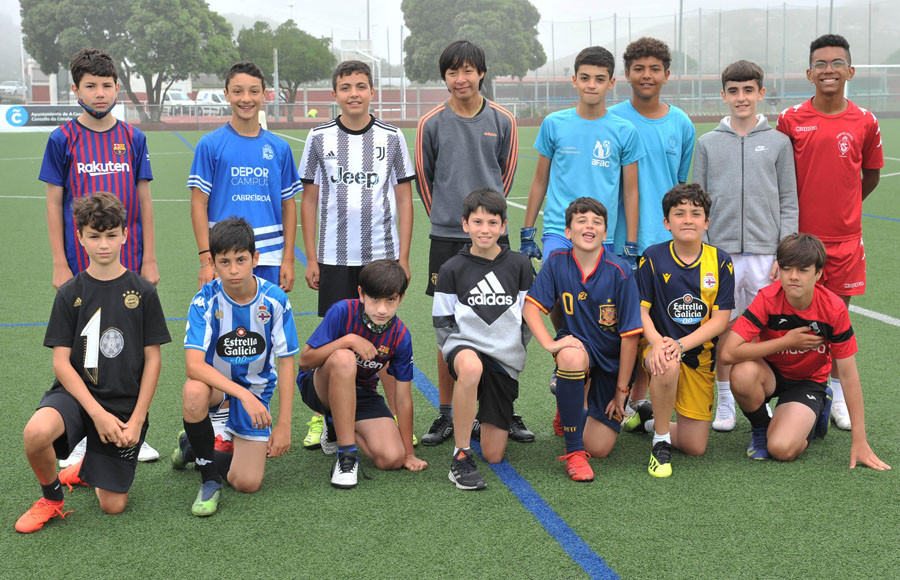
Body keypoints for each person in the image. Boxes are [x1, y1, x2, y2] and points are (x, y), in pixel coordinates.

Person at [15, 194, 171, 533]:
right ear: (81, 237)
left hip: (122, 404)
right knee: (35, 433)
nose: (104, 244)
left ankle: (88, 467)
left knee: (112, 506)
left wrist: (136, 419)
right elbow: (60, 362)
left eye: (111, 235)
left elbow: (153, 360)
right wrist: (96, 414)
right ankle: (52, 497)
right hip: (75, 396)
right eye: (95, 236)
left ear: (125, 235)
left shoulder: (143, 292)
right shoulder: (69, 292)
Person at [40, 48, 161, 464]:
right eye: (89, 86)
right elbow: (54, 204)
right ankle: (77, 435)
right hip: (82, 262)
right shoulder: (62, 139)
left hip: (127, 263)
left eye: (106, 85)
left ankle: (133, 428)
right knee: (81, 348)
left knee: (129, 346)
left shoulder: (133, 138)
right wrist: (60, 261)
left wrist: (150, 259)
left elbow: (144, 201)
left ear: (116, 88)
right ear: (75, 89)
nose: (99, 93)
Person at [415, 40, 532, 446]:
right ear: (444, 76)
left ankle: (503, 409)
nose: (460, 79)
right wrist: (452, 221)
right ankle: (448, 413)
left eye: (468, 70)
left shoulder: (503, 120)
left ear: (482, 72)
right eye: (452, 72)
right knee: (447, 325)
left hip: (492, 233)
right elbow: (425, 179)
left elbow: (506, 177)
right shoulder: (431, 122)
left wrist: (488, 224)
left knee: (506, 319)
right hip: (448, 237)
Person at [521, 45, 643, 432]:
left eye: (600, 79)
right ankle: (567, 352)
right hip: (560, 228)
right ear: (574, 80)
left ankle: (584, 371)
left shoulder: (624, 130)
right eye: (585, 77)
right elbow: (539, 179)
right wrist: (528, 230)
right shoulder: (555, 124)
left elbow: (630, 192)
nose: (592, 85)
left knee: (599, 306)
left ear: (611, 83)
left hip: (602, 237)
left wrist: (632, 242)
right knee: (559, 289)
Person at [298, 60, 416, 449]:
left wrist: (404, 255)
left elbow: (403, 196)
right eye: (345, 87)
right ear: (334, 94)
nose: (353, 93)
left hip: (379, 254)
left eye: (361, 86)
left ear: (371, 91)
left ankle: (392, 414)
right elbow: (309, 198)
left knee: (379, 335)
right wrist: (311, 257)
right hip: (333, 255)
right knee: (336, 337)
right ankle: (324, 416)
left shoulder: (392, 136)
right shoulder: (318, 137)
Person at [776, 34, 883, 431]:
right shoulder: (791, 119)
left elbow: (869, 176)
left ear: (850, 71)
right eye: (820, 64)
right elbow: (781, 179)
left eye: (837, 63)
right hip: (802, 242)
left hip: (846, 241)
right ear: (808, 73)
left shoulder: (865, 121)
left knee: (837, 320)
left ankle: (835, 393)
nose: (828, 70)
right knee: (793, 319)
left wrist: (847, 206)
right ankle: (792, 389)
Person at [719, 233, 889, 471]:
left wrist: (859, 441)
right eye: (787, 269)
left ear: (818, 274)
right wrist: (785, 342)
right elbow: (727, 353)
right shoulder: (768, 298)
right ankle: (760, 429)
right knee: (742, 373)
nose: (793, 277)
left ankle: (818, 405)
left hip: (808, 382)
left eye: (803, 270)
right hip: (770, 373)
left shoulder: (833, 308)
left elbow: (849, 376)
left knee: (781, 449)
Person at [693, 60, 798, 432]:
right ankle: (724, 400)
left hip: (766, 255)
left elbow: (788, 199)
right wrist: (705, 250)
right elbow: (697, 202)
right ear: (723, 95)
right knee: (723, 328)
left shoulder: (778, 143)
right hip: (719, 256)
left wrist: (784, 252)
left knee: (767, 328)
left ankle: (773, 396)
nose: (741, 98)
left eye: (748, 90)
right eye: (734, 91)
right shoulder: (706, 143)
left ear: (761, 93)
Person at [173, 218, 299, 516]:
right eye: (224, 261)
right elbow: (193, 366)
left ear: (255, 259)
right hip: (218, 389)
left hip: (257, 388)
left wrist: (283, 425)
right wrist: (241, 396)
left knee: (247, 482)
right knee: (193, 391)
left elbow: (287, 361)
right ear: (213, 264)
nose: (233, 270)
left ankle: (193, 444)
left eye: (241, 260)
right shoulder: (204, 301)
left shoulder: (275, 301)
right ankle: (209, 479)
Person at [523, 198, 642, 482]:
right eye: (581, 220)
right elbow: (530, 308)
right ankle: (574, 453)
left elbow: (630, 340)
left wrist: (622, 393)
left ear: (605, 233)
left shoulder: (621, 272)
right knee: (570, 356)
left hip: (612, 365)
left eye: (597, 222)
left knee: (599, 449)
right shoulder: (556, 263)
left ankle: (570, 404)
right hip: (580, 353)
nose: (589, 226)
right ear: (568, 232)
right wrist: (552, 345)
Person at [608, 37, 694, 420]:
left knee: (658, 324)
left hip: (663, 244)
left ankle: (642, 401)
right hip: (618, 242)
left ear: (667, 74)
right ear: (626, 74)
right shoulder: (611, 118)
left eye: (654, 68)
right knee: (618, 324)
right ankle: (607, 400)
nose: (647, 75)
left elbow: (679, 184)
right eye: (639, 68)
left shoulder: (682, 124)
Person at [433, 189, 533, 490]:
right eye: (477, 222)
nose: (485, 230)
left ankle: (476, 421)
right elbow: (442, 322)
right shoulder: (452, 268)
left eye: (492, 223)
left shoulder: (520, 265)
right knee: (472, 368)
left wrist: (511, 347)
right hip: (466, 348)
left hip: (504, 357)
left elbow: (528, 320)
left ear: (503, 226)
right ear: (465, 225)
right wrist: (455, 351)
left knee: (493, 454)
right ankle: (460, 455)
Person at [297, 259, 427, 489]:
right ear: (361, 293)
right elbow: (305, 361)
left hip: (361, 394)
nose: (382, 309)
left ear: (401, 298)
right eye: (374, 298)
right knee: (344, 358)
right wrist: (348, 341)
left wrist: (408, 453)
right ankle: (346, 457)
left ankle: (336, 425)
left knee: (391, 458)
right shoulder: (342, 311)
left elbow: (403, 397)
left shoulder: (400, 336)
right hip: (320, 387)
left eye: (391, 300)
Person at [636, 184, 734, 478]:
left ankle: (649, 422)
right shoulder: (652, 257)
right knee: (665, 362)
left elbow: (720, 321)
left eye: (695, 213)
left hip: (699, 357)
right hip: (658, 348)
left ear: (707, 222)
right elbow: (640, 312)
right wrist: (658, 343)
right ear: (667, 223)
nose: (688, 219)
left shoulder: (720, 261)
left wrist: (679, 344)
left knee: (695, 446)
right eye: (679, 214)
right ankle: (660, 442)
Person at [188, 60, 302, 293]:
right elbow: (198, 204)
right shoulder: (210, 144)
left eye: (254, 91)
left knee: (264, 325)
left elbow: (288, 205)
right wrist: (205, 259)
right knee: (224, 326)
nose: (246, 99)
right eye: (238, 91)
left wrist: (288, 258)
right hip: (224, 257)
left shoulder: (279, 148)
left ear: (265, 95)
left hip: (268, 254)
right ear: (227, 94)